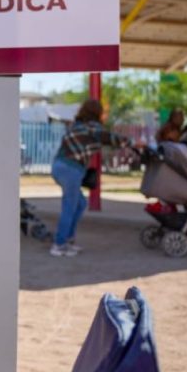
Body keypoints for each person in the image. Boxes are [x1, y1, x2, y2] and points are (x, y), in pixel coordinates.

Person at [49, 99, 132, 257]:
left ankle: (68, 240)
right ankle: (59, 244)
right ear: (97, 112)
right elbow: (109, 137)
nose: (105, 115)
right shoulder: (92, 127)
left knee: (80, 203)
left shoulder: (77, 126)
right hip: (71, 169)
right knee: (70, 206)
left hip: (60, 166)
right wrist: (131, 142)